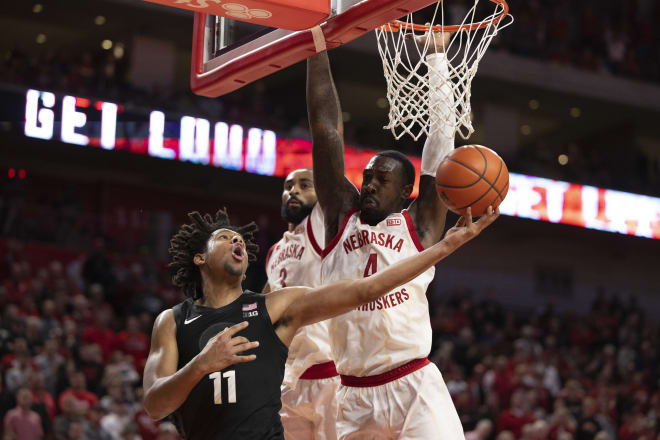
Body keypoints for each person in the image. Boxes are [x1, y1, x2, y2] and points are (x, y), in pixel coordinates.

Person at [142, 205, 497, 439]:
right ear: (199, 257)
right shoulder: (172, 322)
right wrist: (203, 363)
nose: (237, 239)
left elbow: (366, 289)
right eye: (224, 237)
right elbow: (156, 405)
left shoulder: (275, 307)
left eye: (240, 238)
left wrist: (445, 247)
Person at [307, 32, 469, 438]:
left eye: (382, 180)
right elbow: (326, 131)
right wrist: (315, 46)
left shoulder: (421, 226)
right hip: (354, 395)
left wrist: (435, 61)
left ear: (405, 193)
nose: (370, 185)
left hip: (414, 384)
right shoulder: (342, 218)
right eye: (367, 177)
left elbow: (441, 144)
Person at [263, 168, 338, 440]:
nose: (293, 190)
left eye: (305, 185)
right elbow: (265, 310)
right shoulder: (274, 251)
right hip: (285, 379)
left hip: (328, 374)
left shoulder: (319, 229)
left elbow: (331, 182)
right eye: (288, 186)